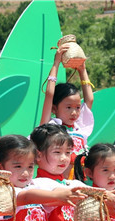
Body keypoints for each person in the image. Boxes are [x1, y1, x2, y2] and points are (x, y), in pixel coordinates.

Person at [39, 43, 94, 179]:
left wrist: (82, 71)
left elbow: (89, 100)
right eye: (68, 107)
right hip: (55, 184)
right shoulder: (50, 127)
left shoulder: (79, 128)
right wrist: (56, 63)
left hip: (78, 182)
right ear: (54, 108)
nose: (74, 112)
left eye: (77, 107)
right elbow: (50, 94)